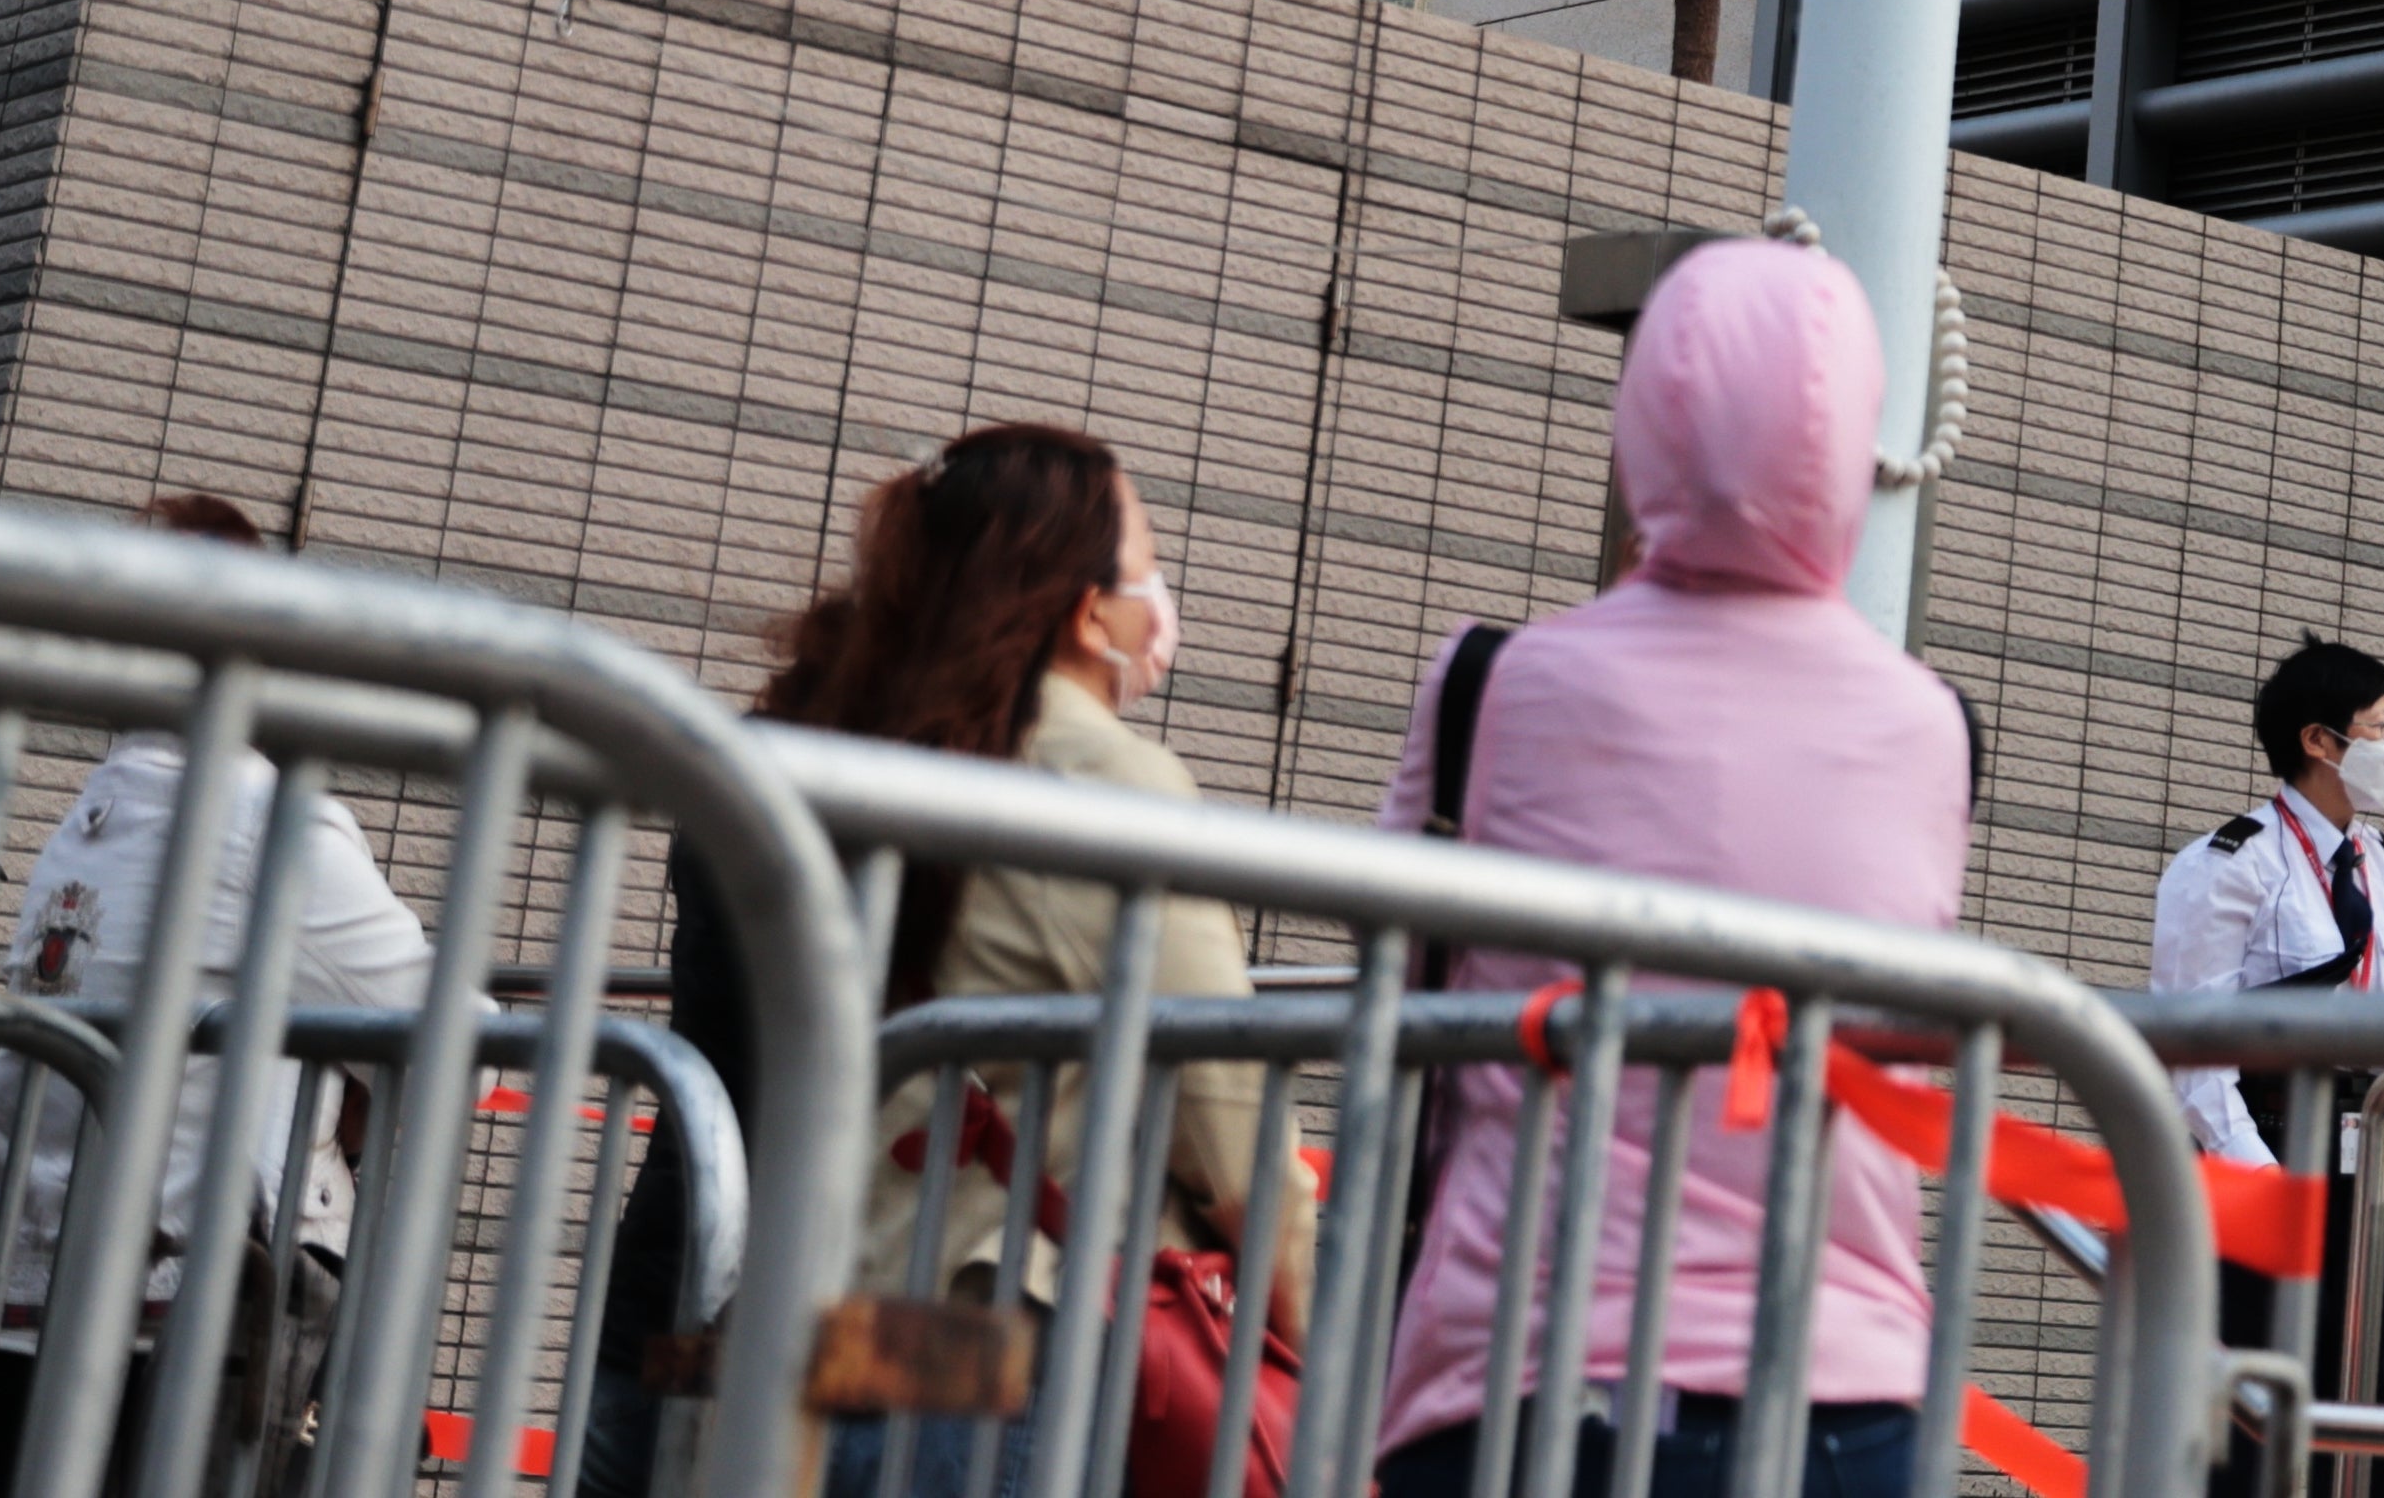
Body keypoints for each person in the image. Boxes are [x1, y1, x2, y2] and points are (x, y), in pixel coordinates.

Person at [1368, 237, 1973, 1498]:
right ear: (1857, 443)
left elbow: (1399, 984)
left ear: (1638, 416)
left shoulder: (1492, 682)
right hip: (1840, 1384)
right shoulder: (1933, 727)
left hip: (1515, 1370)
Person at [768, 425, 1313, 1498]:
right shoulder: (1103, 781)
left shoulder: (859, 750)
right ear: (1082, 604)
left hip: (853, 1315)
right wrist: (1326, 1337)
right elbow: (1233, 1121)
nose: (1159, 588)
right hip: (1021, 1331)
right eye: (1145, 556)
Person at [0, 496, 429, 1498]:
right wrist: (345, 1100)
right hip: (194, 1332)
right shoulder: (256, 819)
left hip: (28, 1311)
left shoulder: (89, 818)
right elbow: (464, 1040)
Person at [2151, 636, 2384, 1498]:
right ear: (2321, 741)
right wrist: (2257, 1183)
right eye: (2383, 728)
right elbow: (2194, 1044)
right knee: (2265, 1423)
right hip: (2271, 1160)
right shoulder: (2230, 864)